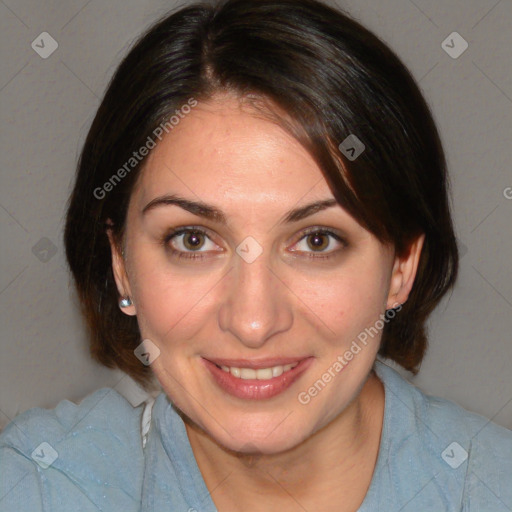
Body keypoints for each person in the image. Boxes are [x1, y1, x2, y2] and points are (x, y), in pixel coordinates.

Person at [1, 0, 510, 510]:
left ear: (401, 266)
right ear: (121, 265)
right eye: (193, 240)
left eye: (316, 241)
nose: (252, 322)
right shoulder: (37, 488)